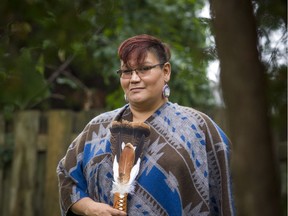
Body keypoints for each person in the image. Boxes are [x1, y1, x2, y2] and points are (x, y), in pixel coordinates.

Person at [57, 34, 235, 216]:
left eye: (144, 69)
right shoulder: (98, 128)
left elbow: (231, 188)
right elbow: (67, 176)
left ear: (166, 71)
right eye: (127, 71)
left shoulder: (198, 128)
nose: (134, 78)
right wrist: (89, 207)